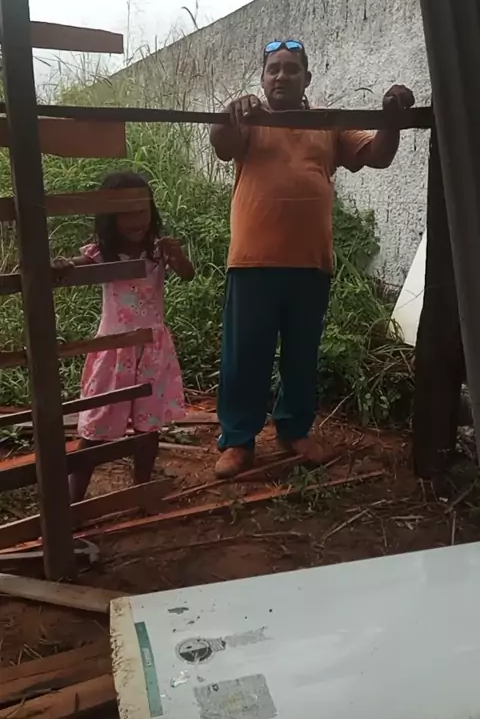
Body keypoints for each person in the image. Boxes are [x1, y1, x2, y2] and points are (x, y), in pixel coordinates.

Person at [210, 38, 414, 478]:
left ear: (307, 78)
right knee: (245, 356)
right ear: (262, 79)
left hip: (310, 263)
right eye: (273, 69)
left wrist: (391, 119)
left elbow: (377, 155)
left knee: (301, 356)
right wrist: (230, 113)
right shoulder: (249, 118)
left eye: (291, 69)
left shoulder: (327, 123)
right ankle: (238, 440)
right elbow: (222, 145)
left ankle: (294, 430)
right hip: (252, 262)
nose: (281, 76)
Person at [53, 170, 195, 501]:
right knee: (96, 427)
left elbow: (187, 275)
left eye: (142, 211)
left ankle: (141, 494)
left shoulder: (158, 251)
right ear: (109, 217)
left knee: (148, 428)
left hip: (152, 351)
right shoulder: (102, 254)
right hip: (113, 351)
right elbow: (77, 264)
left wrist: (178, 256)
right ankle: (73, 502)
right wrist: (62, 265)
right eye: (126, 213)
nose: (137, 220)